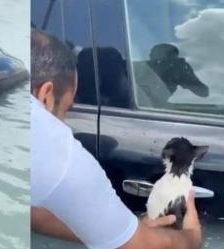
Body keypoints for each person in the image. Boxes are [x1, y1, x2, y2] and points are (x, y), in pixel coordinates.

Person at [30, 29, 202, 249]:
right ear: (45, 95)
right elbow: (140, 246)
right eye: (66, 110)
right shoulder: (57, 151)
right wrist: (191, 236)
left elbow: (32, 212)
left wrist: (125, 228)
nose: (62, 123)